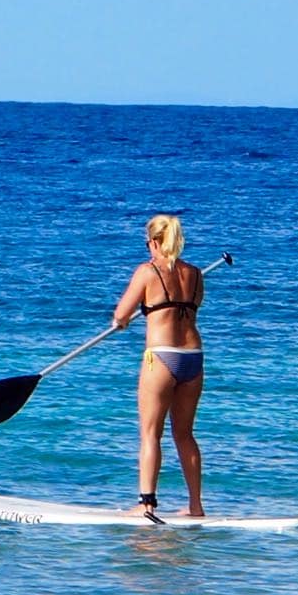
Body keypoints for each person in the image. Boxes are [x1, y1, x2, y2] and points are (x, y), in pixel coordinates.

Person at [111, 213, 204, 517]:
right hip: (193, 357)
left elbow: (122, 314)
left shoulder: (147, 271)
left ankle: (146, 504)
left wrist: (122, 321)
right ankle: (195, 506)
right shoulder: (195, 274)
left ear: (153, 241)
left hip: (161, 356)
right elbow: (191, 307)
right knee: (185, 434)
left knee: (151, 434)